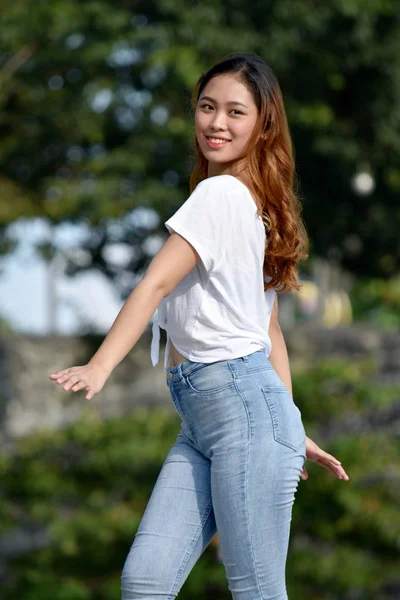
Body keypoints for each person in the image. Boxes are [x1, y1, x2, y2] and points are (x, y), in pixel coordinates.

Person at [49, 53, 349, 600]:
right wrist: (290, 423)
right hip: (212, 417)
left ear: (263, 126)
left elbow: (154, 285)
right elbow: (269, 329)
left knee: (256, 588)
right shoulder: (247, 203)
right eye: (207, 107)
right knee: (146, 581)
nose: (217, 123)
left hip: (242, 406)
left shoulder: (221, 194)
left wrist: (100, 365)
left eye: (236, 112)